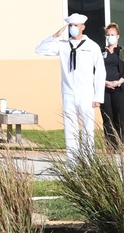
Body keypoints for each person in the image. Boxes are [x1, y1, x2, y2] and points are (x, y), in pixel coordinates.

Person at [35, 14, 105, 158]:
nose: (73, 28)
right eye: (71, 25)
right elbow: (40, 49)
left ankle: (88, 158)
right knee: (70, 127)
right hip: (68, 92)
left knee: (87, 127)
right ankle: (72, 160)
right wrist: (54, 36)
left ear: (83, 27)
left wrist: (98, 96)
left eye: (76, 25)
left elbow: (100, 72)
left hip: (86, 93)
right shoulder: (63, 45)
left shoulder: (92, 46)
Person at [100, 23, 124, 148]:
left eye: (112, 35)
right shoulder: (101, 52)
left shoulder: (121, 51)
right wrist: (104, 82)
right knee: (107, 117)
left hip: (119, 88)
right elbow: (94, 70)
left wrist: (119, 81)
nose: (110, 37)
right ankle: (111, 145)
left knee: (119, 117)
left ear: (118, 36)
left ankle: (121, 143)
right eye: (108, 35)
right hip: (104, 88)